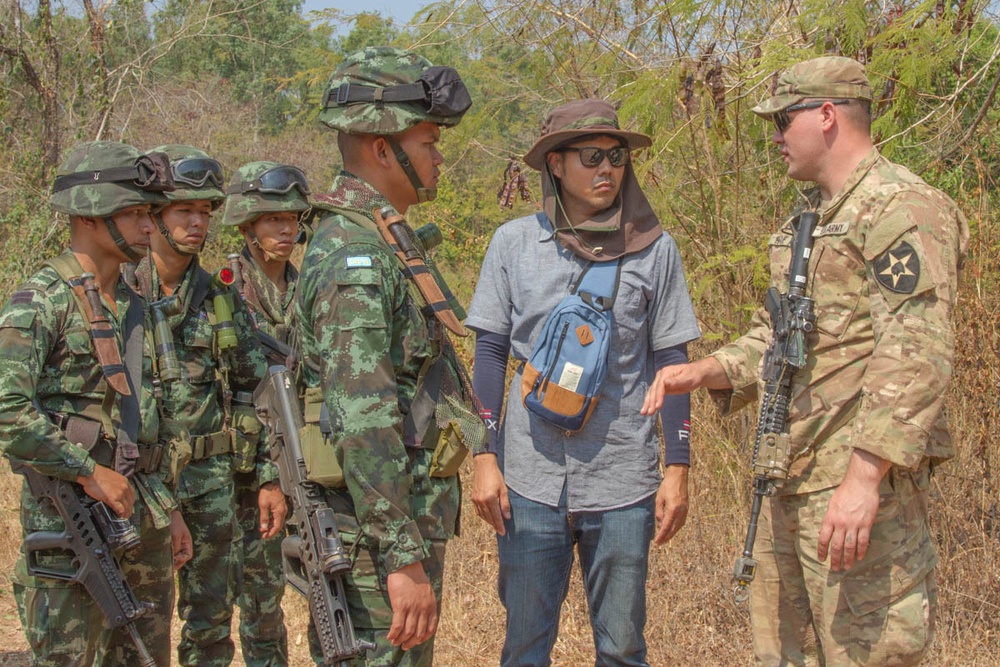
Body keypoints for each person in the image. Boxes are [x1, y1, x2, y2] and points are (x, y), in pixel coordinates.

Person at [641, 56, 969, 665]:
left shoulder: (902, 209)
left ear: (825, 116)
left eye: (783, 120)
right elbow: (782, 335)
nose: (774, 136)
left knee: (869, 654)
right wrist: (706, 370)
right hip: (788, 477)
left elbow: (916, 353)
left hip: (854, 492)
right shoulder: (809, 223)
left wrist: (864, 479)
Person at [467, 99, 702, 667]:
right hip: (528, 478)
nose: (607, 170)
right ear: (554, 164)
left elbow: (671, 358)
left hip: (623, 477)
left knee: (622, 647)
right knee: (524, 644)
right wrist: (484, 453)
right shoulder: (514, 244)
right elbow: (491, 352)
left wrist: (679, 465)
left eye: (617, 156)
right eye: (591, 156)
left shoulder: (656, 249)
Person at [295, 46, 482, 666]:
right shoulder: (356, 258)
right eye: (427, 142)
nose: (438, 157)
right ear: (383, 149)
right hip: (379, 547)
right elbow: (363, 417)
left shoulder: (380, 240)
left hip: (394, 529)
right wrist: (401, 558)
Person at [0, 140, 193, 665]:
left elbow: (150, 419)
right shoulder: (41, 299)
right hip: (71, 523)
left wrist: (168, 509)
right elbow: (8, 409)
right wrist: (88, 472)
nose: (149, 228)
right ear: (90, 214)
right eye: (134, 213)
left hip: (140, 521)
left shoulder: (138, 306)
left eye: (149, 214)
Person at [129, 145, 287, 667]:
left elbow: (258, 390)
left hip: (211, 485)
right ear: (153, 216)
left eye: (205, 212)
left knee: (211, 624)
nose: (197, 223)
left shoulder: (219, 296)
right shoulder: (120, 291)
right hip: (139, 485)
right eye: (184, 211)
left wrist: (267, 476)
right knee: (137, 620)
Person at [220, 160, 314, 667]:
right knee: (258, 599)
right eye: (273, 219)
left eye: (292, 219)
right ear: (248, 224)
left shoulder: (309, 284)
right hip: (249, 464)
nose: (285, 229)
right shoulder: (225, 290)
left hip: (310, 455)